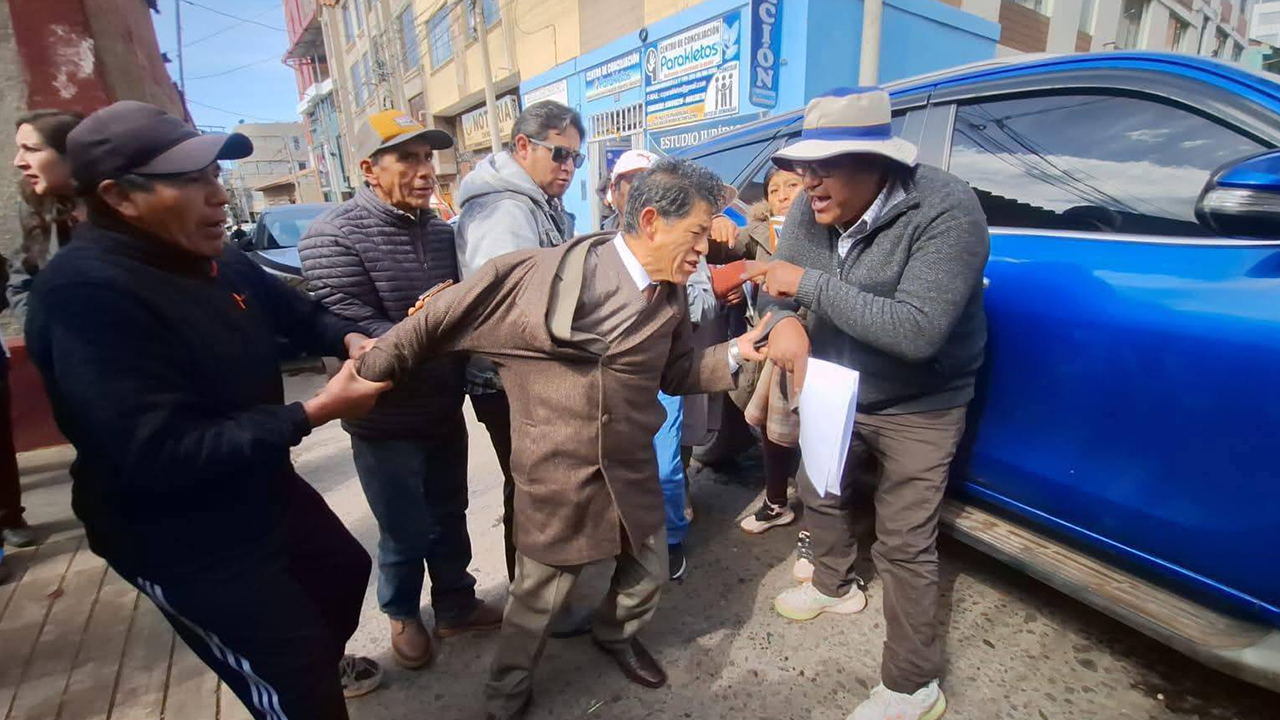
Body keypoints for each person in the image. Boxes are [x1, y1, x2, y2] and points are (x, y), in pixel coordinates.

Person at [357, 159, 789, 720]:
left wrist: (735, 352)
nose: (705, 249)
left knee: (647, 573)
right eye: (697, 233)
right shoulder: (540, 277)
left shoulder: (670, 292)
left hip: (630, 466)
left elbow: (677, 371)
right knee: (538, 598)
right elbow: (438, 318)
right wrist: (370, 373)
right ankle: (506, 694)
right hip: (559, 474)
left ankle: (615, 635)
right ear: (651, 221)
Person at [24, 101, 392, 720]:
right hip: (177, 533)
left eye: (215, 176)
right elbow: (160, 449)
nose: (219, 195)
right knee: (294, 680)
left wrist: (349, 337)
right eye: (191, 181)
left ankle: (301, 670)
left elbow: (298, 313)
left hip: (260, 489)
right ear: (119, 196)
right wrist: (314, 412)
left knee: (342, 570)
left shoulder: (220, 258)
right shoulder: (85, 295)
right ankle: (290, 683)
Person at [745, 87, 990, 720]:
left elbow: (916, 330)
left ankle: (912, 686)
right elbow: (777, 287)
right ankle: (833, 585)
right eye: (804, 166)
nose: (809, 181)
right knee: (821, 490)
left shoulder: (946, 208)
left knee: (905, 542)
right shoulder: (814, 208)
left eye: (826, 166)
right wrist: (783, 320)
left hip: (921, 401)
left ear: (878, 163)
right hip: (836, 383)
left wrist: (808, 288)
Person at [298, 109, 503, 670]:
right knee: (404, 527)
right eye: (407, 159)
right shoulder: (332, 237)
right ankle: (403, 613)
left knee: (451, 511)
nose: (425, 171)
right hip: (384, 419)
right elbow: (358, 330)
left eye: (428, 158)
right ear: (369, 169)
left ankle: (456, 603)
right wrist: (433, 327)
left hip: (442, 406)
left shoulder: (441, 232)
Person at [453, 100, 582, 583]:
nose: (568, 167)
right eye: (559, 154)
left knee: (539, 488)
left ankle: (540, 590)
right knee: (534, 490)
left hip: (528, 375)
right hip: (510, 380)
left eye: (576, 158)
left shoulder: (536, 202)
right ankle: (532, 597)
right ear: (523, 146)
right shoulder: (504, 211)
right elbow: (511, 311)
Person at [604, 149, 718, 580]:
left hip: (662, 379)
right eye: (630, 180)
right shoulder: (594, 250)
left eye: (648, 177)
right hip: (615, 397)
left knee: (666, 464)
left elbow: (702, 303)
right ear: (615, 192)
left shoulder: (682, 255)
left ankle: (668, 543)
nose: (640, 187)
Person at [3, 109, 84, 549]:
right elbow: (21, 280)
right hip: (69, 366)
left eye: (31, 149)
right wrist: (45, 334)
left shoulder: (121, 205)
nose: (18, 161)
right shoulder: (33, 206)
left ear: (73, 154)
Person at [734, 166, 806, 536]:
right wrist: (719, 224)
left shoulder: (828, 230)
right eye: (775, 189)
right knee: (772, 430)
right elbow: (727, 250)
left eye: (793, 185)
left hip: (819, 347)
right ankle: (777, 502)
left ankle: (817, 523)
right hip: (773, 345)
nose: (783, 195)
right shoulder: (759, 231)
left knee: (817, 436)